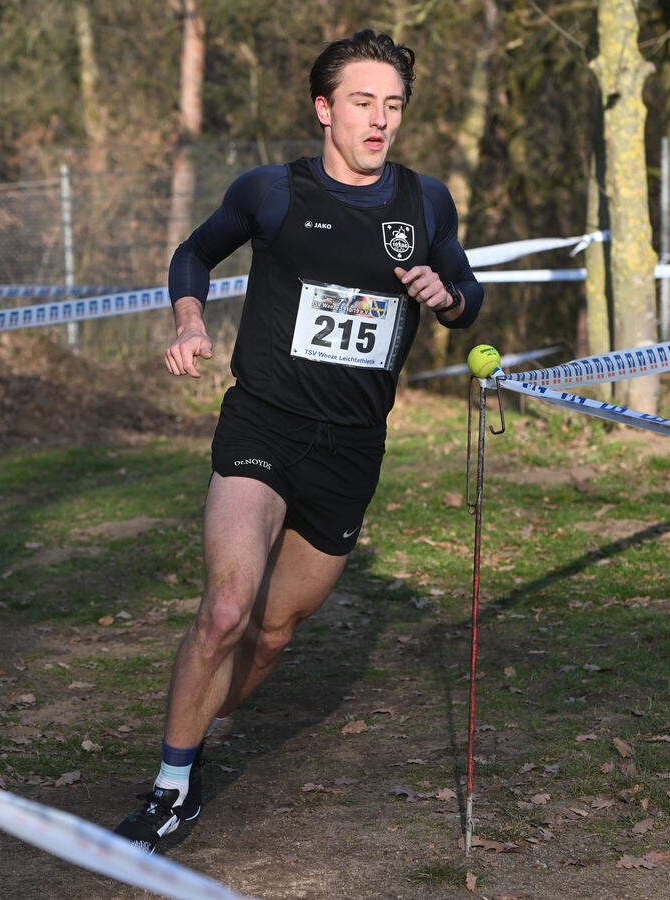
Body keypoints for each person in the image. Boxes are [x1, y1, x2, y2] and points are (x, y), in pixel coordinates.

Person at [114, 28, 482, 854]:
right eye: (362, 102)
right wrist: (189, 320)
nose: (379, 120)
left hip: (352, 448)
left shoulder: (426, 203)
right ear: (324, 108)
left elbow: (467, 293)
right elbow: (194, 251)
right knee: (226, 609)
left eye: (393, 105)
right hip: (265, 424)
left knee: (273, 633)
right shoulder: (271, 192)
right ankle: (172, 786)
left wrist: (447, 296)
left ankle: (191, 731)